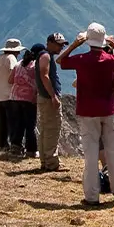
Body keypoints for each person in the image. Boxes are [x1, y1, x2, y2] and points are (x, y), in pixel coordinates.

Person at [58, 23, 114, 205]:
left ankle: (92, 196)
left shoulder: (81, 59)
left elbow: (60, 61)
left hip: (87, 112)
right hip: (109, 111)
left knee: (91, 156)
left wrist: (74, 45)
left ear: (88, 41)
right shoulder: (110, 60)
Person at [36, 33, 70, 172]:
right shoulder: (46, 56)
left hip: (44, 98)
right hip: (48, 98)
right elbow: (44, 75)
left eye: (62, 44)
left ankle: (45, 160)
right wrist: (53, 96)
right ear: (49, 42)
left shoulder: (45, 56)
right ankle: (51, 162)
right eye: (58, 44)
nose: (60, 47)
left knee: (45, 129)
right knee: (52, 130)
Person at [8, 44, 45, 157]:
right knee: (30, 125)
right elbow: (40, 82)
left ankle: (15, 147)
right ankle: (31, 150)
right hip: (29, 99)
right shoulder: (35, 66)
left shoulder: (18, 64)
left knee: (18, 124)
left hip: (14, 98)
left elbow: (10, 80)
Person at [0, 38, 25, 150]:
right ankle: (15, 146)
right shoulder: (11, 58)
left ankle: (2, 144)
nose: (19, 53)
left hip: (0, 95)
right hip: (11, 96)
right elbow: (15, 72)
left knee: (2, 123)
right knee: (13, 122)